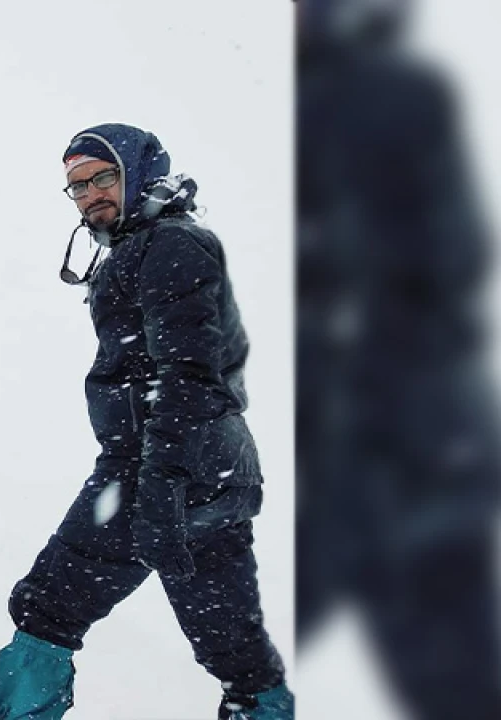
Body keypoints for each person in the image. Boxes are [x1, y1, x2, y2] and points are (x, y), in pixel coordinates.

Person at [0, 123, 293, 719]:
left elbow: (187, 373)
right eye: (77, 186)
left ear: (140, 173)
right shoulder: (150, 244)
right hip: (215, 470)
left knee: (47, 609)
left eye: (104, 177)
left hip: (159, 464)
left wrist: (160, 484)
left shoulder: (169, 245)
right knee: (231, 641)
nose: (90, 194)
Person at [296, 1, 501, 716]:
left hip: (414, 442)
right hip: (356, 448)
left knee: (453, 679)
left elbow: (450, 258)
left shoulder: (392, 97)